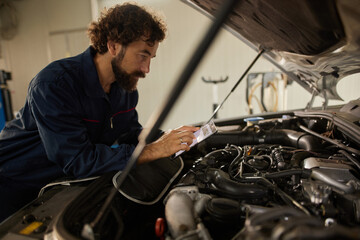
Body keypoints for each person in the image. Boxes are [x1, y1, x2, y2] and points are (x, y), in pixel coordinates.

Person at [0, 2, 198, 222]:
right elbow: (79, 160)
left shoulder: (125, 90)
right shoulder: (54, 85)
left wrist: (172, 140)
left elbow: (131, 133)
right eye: (142, 56)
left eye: (150, 58)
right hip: (13, 187)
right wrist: (153, 150)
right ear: (113, 46)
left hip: (56, 188)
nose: (146, 69)